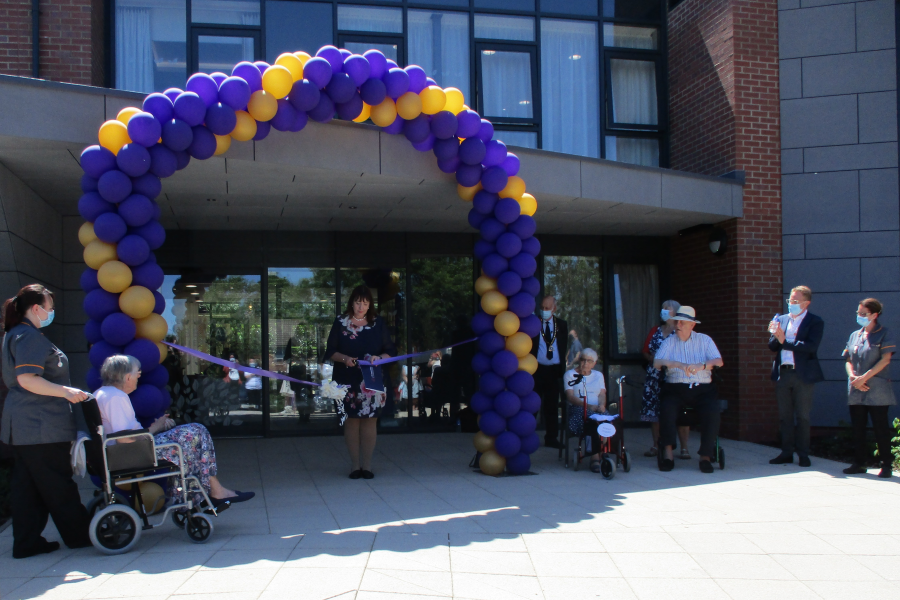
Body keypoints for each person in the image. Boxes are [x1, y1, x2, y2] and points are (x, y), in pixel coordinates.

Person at [0, 284, 92, 558]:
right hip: (41, 424)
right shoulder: (29, 337)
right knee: (58, 483)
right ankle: (80, 536)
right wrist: (67, 392)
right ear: (36, 308)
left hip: (24, 425)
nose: (52, 312)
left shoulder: (14, 335)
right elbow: (27, 378)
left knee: (27, 486)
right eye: (50, 308)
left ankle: (27, 542)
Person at [95, 354, 254, 507]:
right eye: (138, 373)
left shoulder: (102, 393)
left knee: (194, 435)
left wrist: (156, 427)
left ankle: (206, 492)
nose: (139, 376)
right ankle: (213, 492)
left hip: (129, 450)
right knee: (197, 432)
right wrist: (156, 427)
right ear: (127, 377)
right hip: (133, 453)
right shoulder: (116, 397)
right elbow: (125, 439)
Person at [325, 285, 396, 479]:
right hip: (346, 378)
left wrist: (378, 357)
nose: (361, 307)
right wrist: (345, 359)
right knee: (351, 421)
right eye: (358, 302)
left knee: (370, 422)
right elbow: (330, 351)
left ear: (370, 304)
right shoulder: (340, 322)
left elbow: (390, 350)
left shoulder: (378, 322)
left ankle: (368, 466)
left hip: (371, 380)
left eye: (365, 303)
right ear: (352, 302)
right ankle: (355, 466)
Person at [654, 306, 724, 473]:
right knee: (667, 408)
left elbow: (719, 361)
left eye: (682, 322)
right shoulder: (670, 341)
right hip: (675, 387)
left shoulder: (704, 340)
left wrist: (703, 365)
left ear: (692, 325)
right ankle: (668, 454)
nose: (678, 325)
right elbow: (657, 363)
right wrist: (678, 364)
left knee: (712, 411)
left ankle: (705, 457)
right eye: (677, 321)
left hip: (702, 388)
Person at [767, 285, 824, 467]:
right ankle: (786, 452)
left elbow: (810, 347)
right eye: (789, 300)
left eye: (795, 301)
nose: (791, 304)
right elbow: (772, 347)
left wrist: (785, 341)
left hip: (802, 374)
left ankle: (803, 454)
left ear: (806, 303)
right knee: (785, 416)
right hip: (783, 372)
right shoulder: (782, 319)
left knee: (803, 416)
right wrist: (775, 336)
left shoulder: (815, 322)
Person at [841, 298, 896, 478]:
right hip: (856, 388)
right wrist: (853, 377)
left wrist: (864, 378)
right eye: (858, 313)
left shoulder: (884, 333)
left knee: (880, 427)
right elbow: (848, 359)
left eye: (863, 314)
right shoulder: (854, 335)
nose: (860, 316)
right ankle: (859, 462)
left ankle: (886, 465)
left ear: (875, 315)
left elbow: (885, 359)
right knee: (858, 427)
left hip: (877, 387)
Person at [641, 300, 691, 459]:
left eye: (666, 309)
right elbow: (645, 350)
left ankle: (684, 448)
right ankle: (656, 445)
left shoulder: (679, 331)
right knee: (654, 412)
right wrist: (652, 359)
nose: (663, 312)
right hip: (654, 377)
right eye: (662, 309)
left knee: (679, 411)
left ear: (675, 312)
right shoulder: (655, 330)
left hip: (674, 377)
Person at [531, 296, 568, 448]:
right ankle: (527, 435)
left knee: (552, 406)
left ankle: (551, 438)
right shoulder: (534, 324)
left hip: (554, 370)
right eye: (542, 307)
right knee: (532, 403)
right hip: (536, 368)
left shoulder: (561, 324)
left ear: (554, 308)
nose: (544, 311)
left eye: (548, 308)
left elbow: (562, 345)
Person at [563, 348, 608, 473]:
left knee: (608, 420)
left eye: (589, 361)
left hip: (597, 409)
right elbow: (570, 397)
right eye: (583, 360)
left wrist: (602, 404)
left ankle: (603, 450)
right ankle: (595, 457)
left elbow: (602, 394)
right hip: (579, 409)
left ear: (594, 363)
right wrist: (587, 406)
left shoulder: (598, 375)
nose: (585, 363)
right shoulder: (570, 375)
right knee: (591, 421)